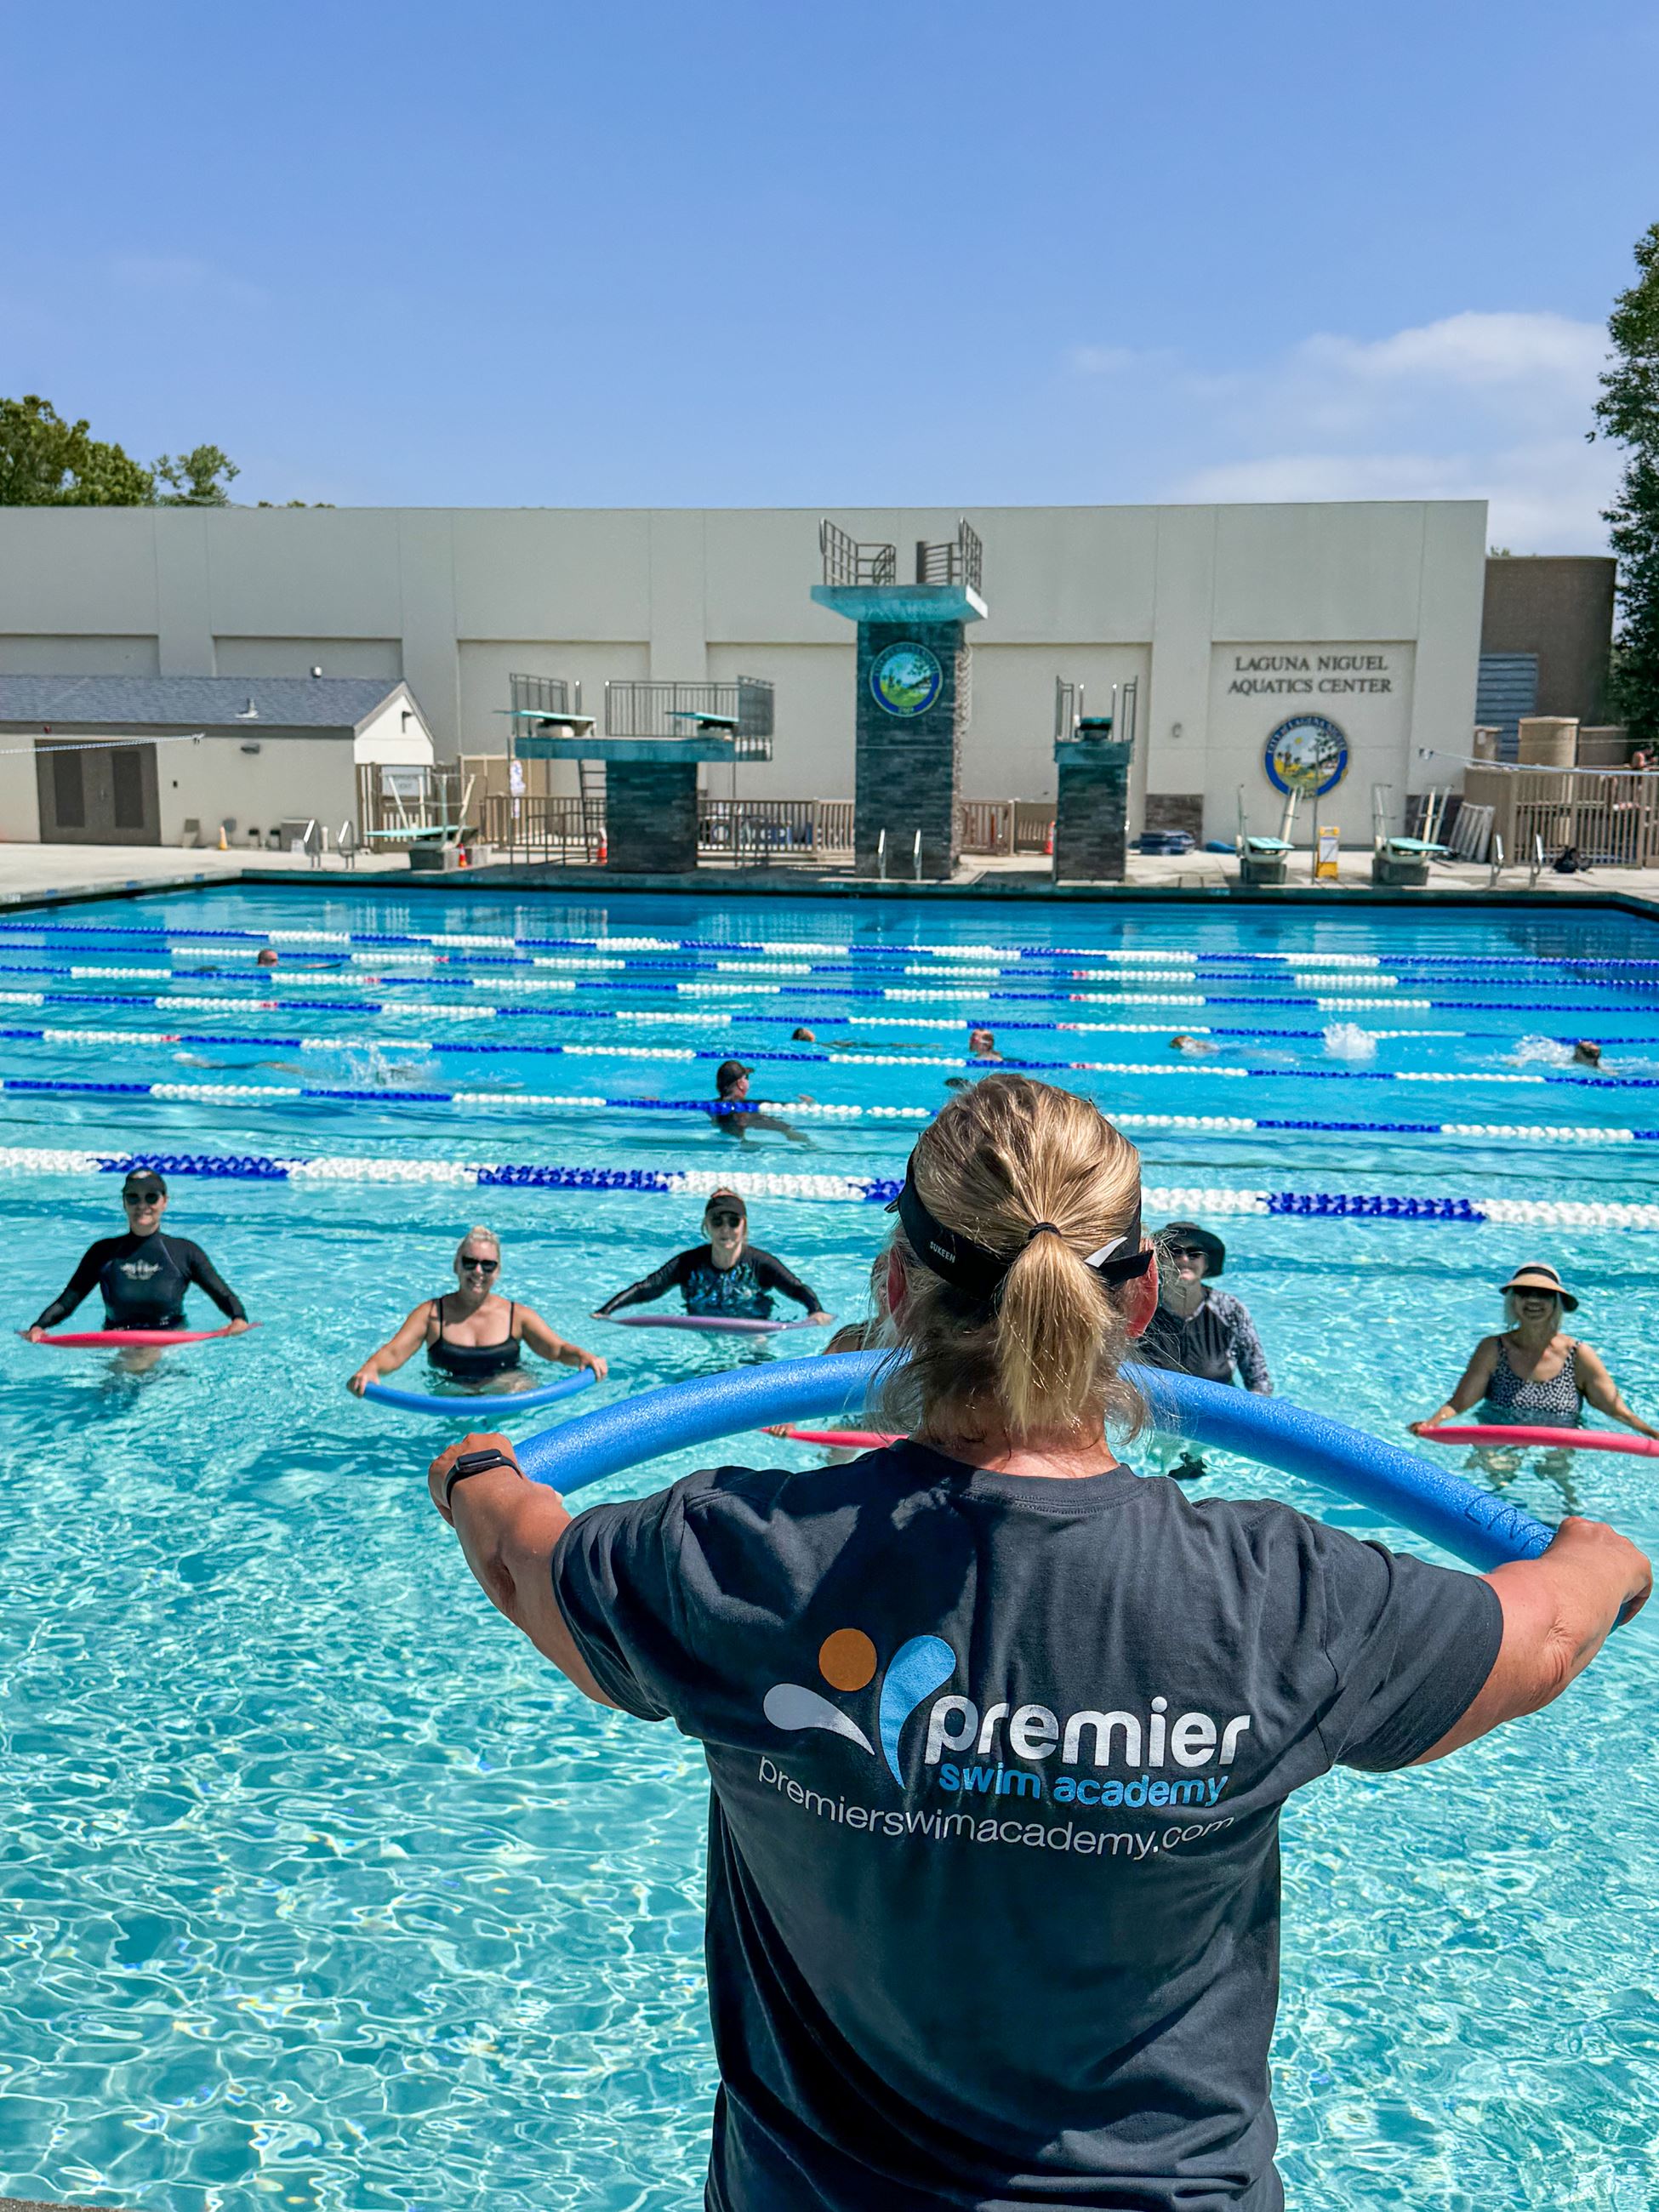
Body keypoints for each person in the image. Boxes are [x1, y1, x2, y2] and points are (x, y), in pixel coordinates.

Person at [427, 1073, 1650, 2212]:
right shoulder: (1280, 1592)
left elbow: (516, 1549)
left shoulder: (732, 1553)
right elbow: (1543, 1639)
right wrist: (1599, 1553)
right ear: (1142, 1298)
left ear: (894, 1289)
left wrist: (477, 1466)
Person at [1408, 1263, 1656, 1491]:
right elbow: (1460, 1402)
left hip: (1559, 1439)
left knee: (1557, 1479)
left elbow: (1617, 1410)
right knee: (1497, 1475)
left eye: (1544, 1294)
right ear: (1513, 1301)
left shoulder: (1578, 1355)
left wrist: (1653, 1434)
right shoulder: (1493, 1349)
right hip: (1499, 1435)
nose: (1534, 1300)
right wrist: (1432, 1423)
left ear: (1557, 1303)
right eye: (1525, 1292)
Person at [347, 1227, 607, 1396]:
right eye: (469, 1263)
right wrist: (371, 1370)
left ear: (498, 1271)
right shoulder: (430, 1314)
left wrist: (583, 1357)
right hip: (451, 1396)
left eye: (488, 1265)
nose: (478, 1272)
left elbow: (556, 1349)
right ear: (456, 1266)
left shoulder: (517, 1316)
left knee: (518, 1384)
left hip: (508, 1397)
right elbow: (394, 1352)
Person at [26, 1169, 250, 1341]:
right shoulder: (103, 1252)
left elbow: (223, 1295)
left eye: (151, 1197)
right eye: (133, 1198)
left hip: (170, 1339)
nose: (142, 1205)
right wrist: (39, 1326)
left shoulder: (185, 1252)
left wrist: (238, 1319)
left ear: (165, 1202)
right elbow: (68, 1301)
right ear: (124, 1203)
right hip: (116, 1338)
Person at [1137, 1222, 1270, 1479]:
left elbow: (1259, 1381)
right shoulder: (1141, 1309)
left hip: (1216, 1423)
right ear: (1159, 1261)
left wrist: (1246, 1424)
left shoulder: (1230, 1310)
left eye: (1194, 1254)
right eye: (1174, 1251)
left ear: (1207, 1264)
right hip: (1159, 1419)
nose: (1184, 1260)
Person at [595, 1189, 830, 1326]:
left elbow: (797, 1288)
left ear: (744, 1225)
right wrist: (606, 1311)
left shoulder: (761, 1264)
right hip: (704, 1329)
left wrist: (816, 1310)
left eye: (733, 1221)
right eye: (717, 1221)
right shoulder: (688, 1263)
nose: (725, 1229)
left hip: (753, 1329)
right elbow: (648, 1288)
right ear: (706, 1225)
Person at [708, 1058, 811, 1145]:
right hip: (747, 1119)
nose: (748, 1081)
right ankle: (812, 1147)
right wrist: (805, 1105)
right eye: (747, 1078)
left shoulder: (711, 1106)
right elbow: (773, 1105)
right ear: (741, 1084)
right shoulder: (747, 1107)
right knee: (786, 1129)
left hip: (726, 1138)